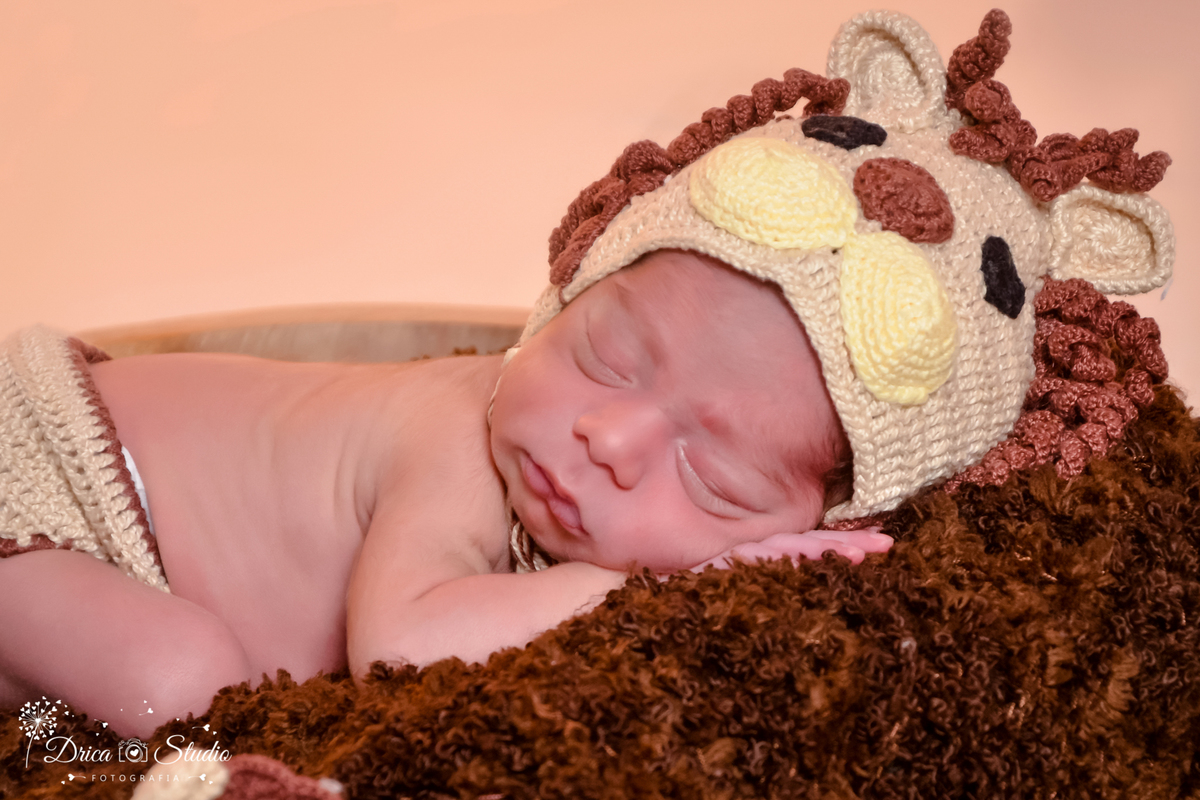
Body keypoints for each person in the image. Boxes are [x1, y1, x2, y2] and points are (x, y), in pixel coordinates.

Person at [0, 8, 1175, 741]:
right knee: (185, 678)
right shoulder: (457, 436)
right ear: (559, 295)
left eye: (710, 476)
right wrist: (659, 580)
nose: (609, 438)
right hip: (47, 471)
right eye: (605, 353)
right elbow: (407, 643)